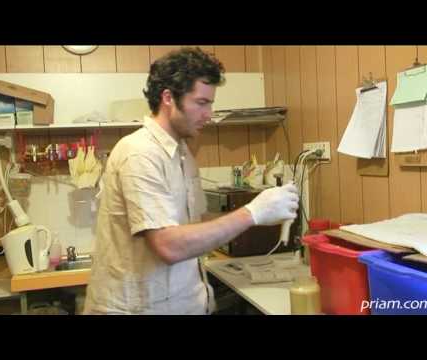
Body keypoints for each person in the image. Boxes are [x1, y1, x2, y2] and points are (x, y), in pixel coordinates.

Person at [83, 47, 299, 315]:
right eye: (201, 102)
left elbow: (194, 225)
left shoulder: (182, 153)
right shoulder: (139, 153)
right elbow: (168, 245)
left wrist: (265, 210)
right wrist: (251, 213)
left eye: (210, 103)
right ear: (168, 98)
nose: (209, 113)